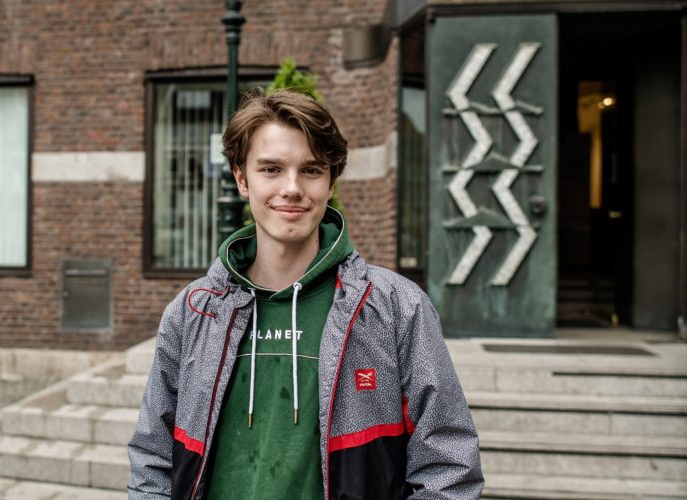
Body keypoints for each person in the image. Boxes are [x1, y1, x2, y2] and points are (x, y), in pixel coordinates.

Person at [128, 88, 483, 500]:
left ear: (331, 181)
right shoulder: (193, 311)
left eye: (311, 170)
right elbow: (153, 459)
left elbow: (450, 465)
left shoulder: (397, 307)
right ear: (242, 178)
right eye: (272, 169)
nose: (292, 188)